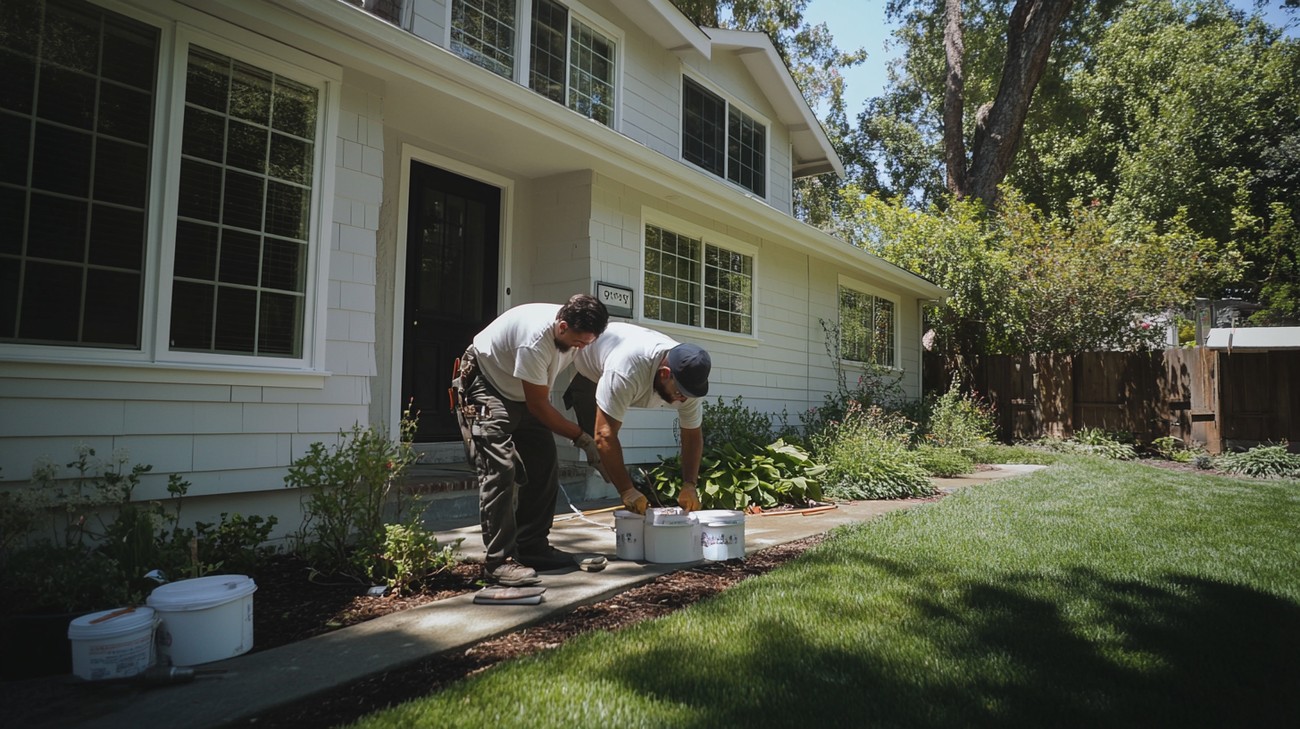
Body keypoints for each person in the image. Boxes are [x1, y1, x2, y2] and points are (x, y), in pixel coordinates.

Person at [452, 294, 610, 586]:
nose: (581, 348)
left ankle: (532, 547)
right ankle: (498, 562)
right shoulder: (535, 339)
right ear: (562, 326)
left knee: (544, 463)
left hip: (522, 392)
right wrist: (584, 439)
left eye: (588, 343)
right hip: (487, 384)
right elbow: (538, 406)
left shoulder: (580, 334)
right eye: (578, 342)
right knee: (500, 469)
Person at [564, 322, 711, 516]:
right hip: (584, 362)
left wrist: (690, 483)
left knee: (606, 458)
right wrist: (627, 490)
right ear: (665, 373)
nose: (683, 399)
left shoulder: (689, 382)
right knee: (597, 441)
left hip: (618, 368)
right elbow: (605, 434)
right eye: (679, 392)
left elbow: (692, 435)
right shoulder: (627, 369)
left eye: (688, 395)